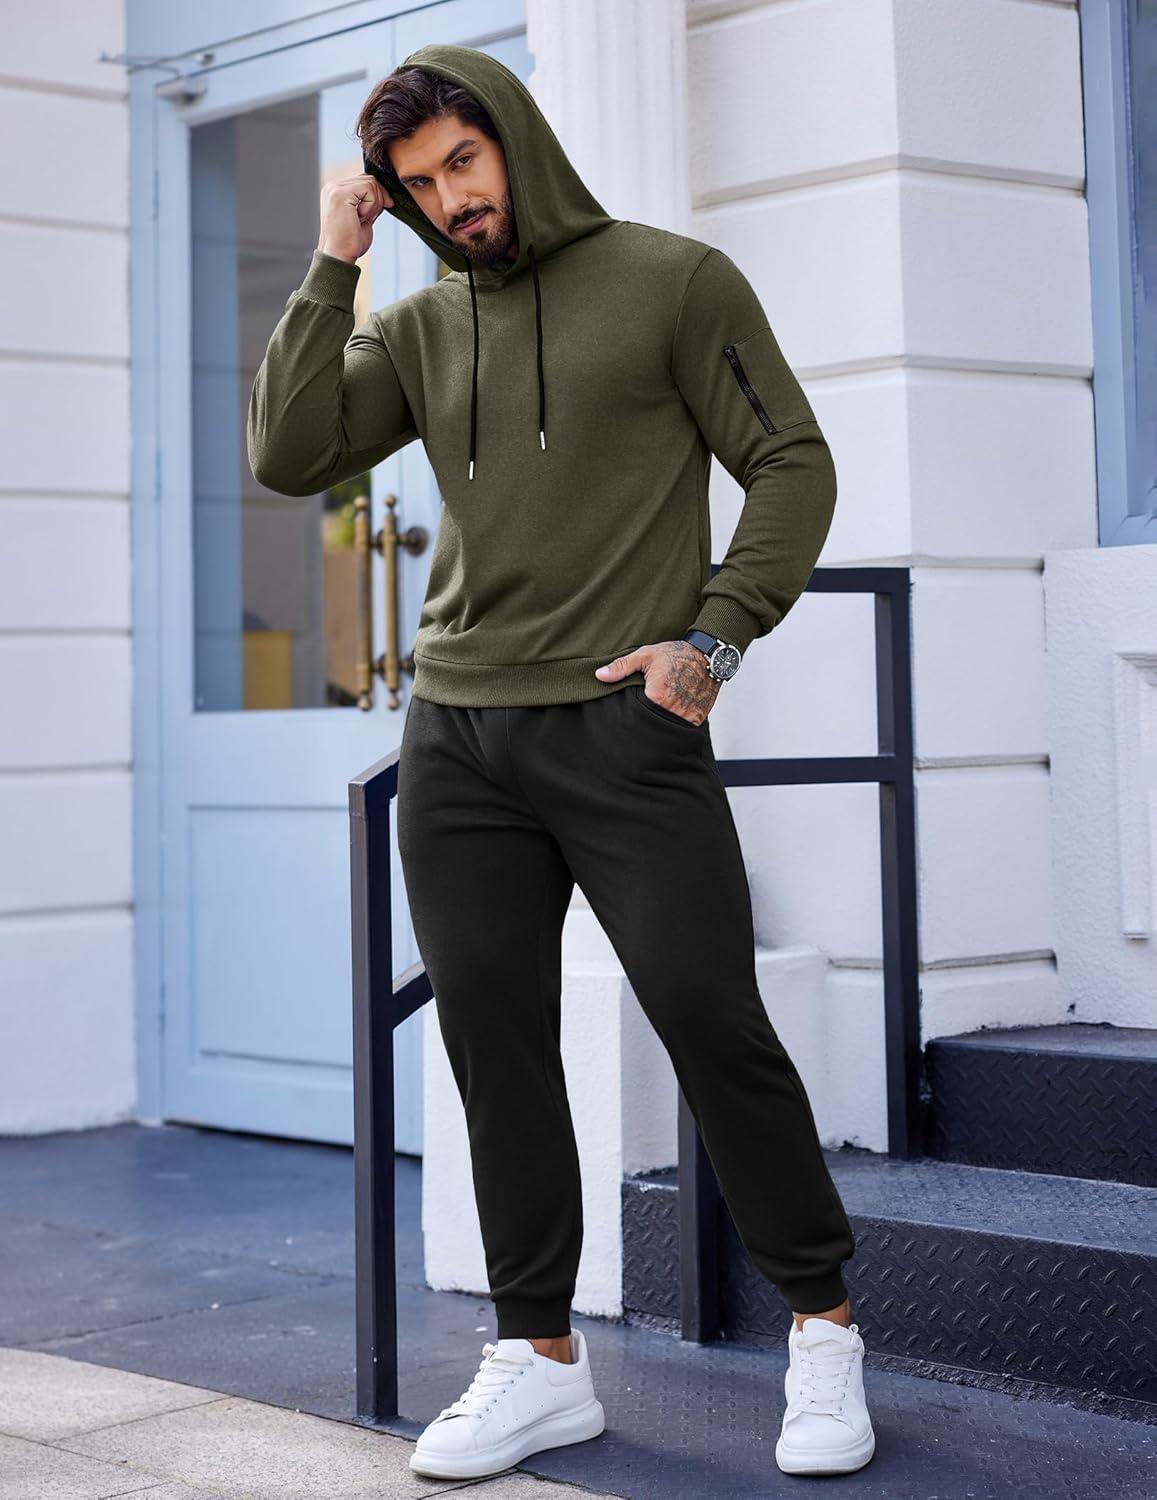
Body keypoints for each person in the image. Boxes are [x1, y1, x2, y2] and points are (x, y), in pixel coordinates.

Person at [248, 41, 875, 1484]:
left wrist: (710, 640)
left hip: (622, 728)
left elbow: (792, 460)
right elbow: (290, 452)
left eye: (464, 161)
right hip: (459, 737)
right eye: (419, 184)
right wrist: (334, 262)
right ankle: (537, 1360)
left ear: (514, 138)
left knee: (710, 1020)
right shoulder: (417, 327)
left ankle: (823, 1330)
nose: (451, 199)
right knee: (496, 1047)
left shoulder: (672, 282)